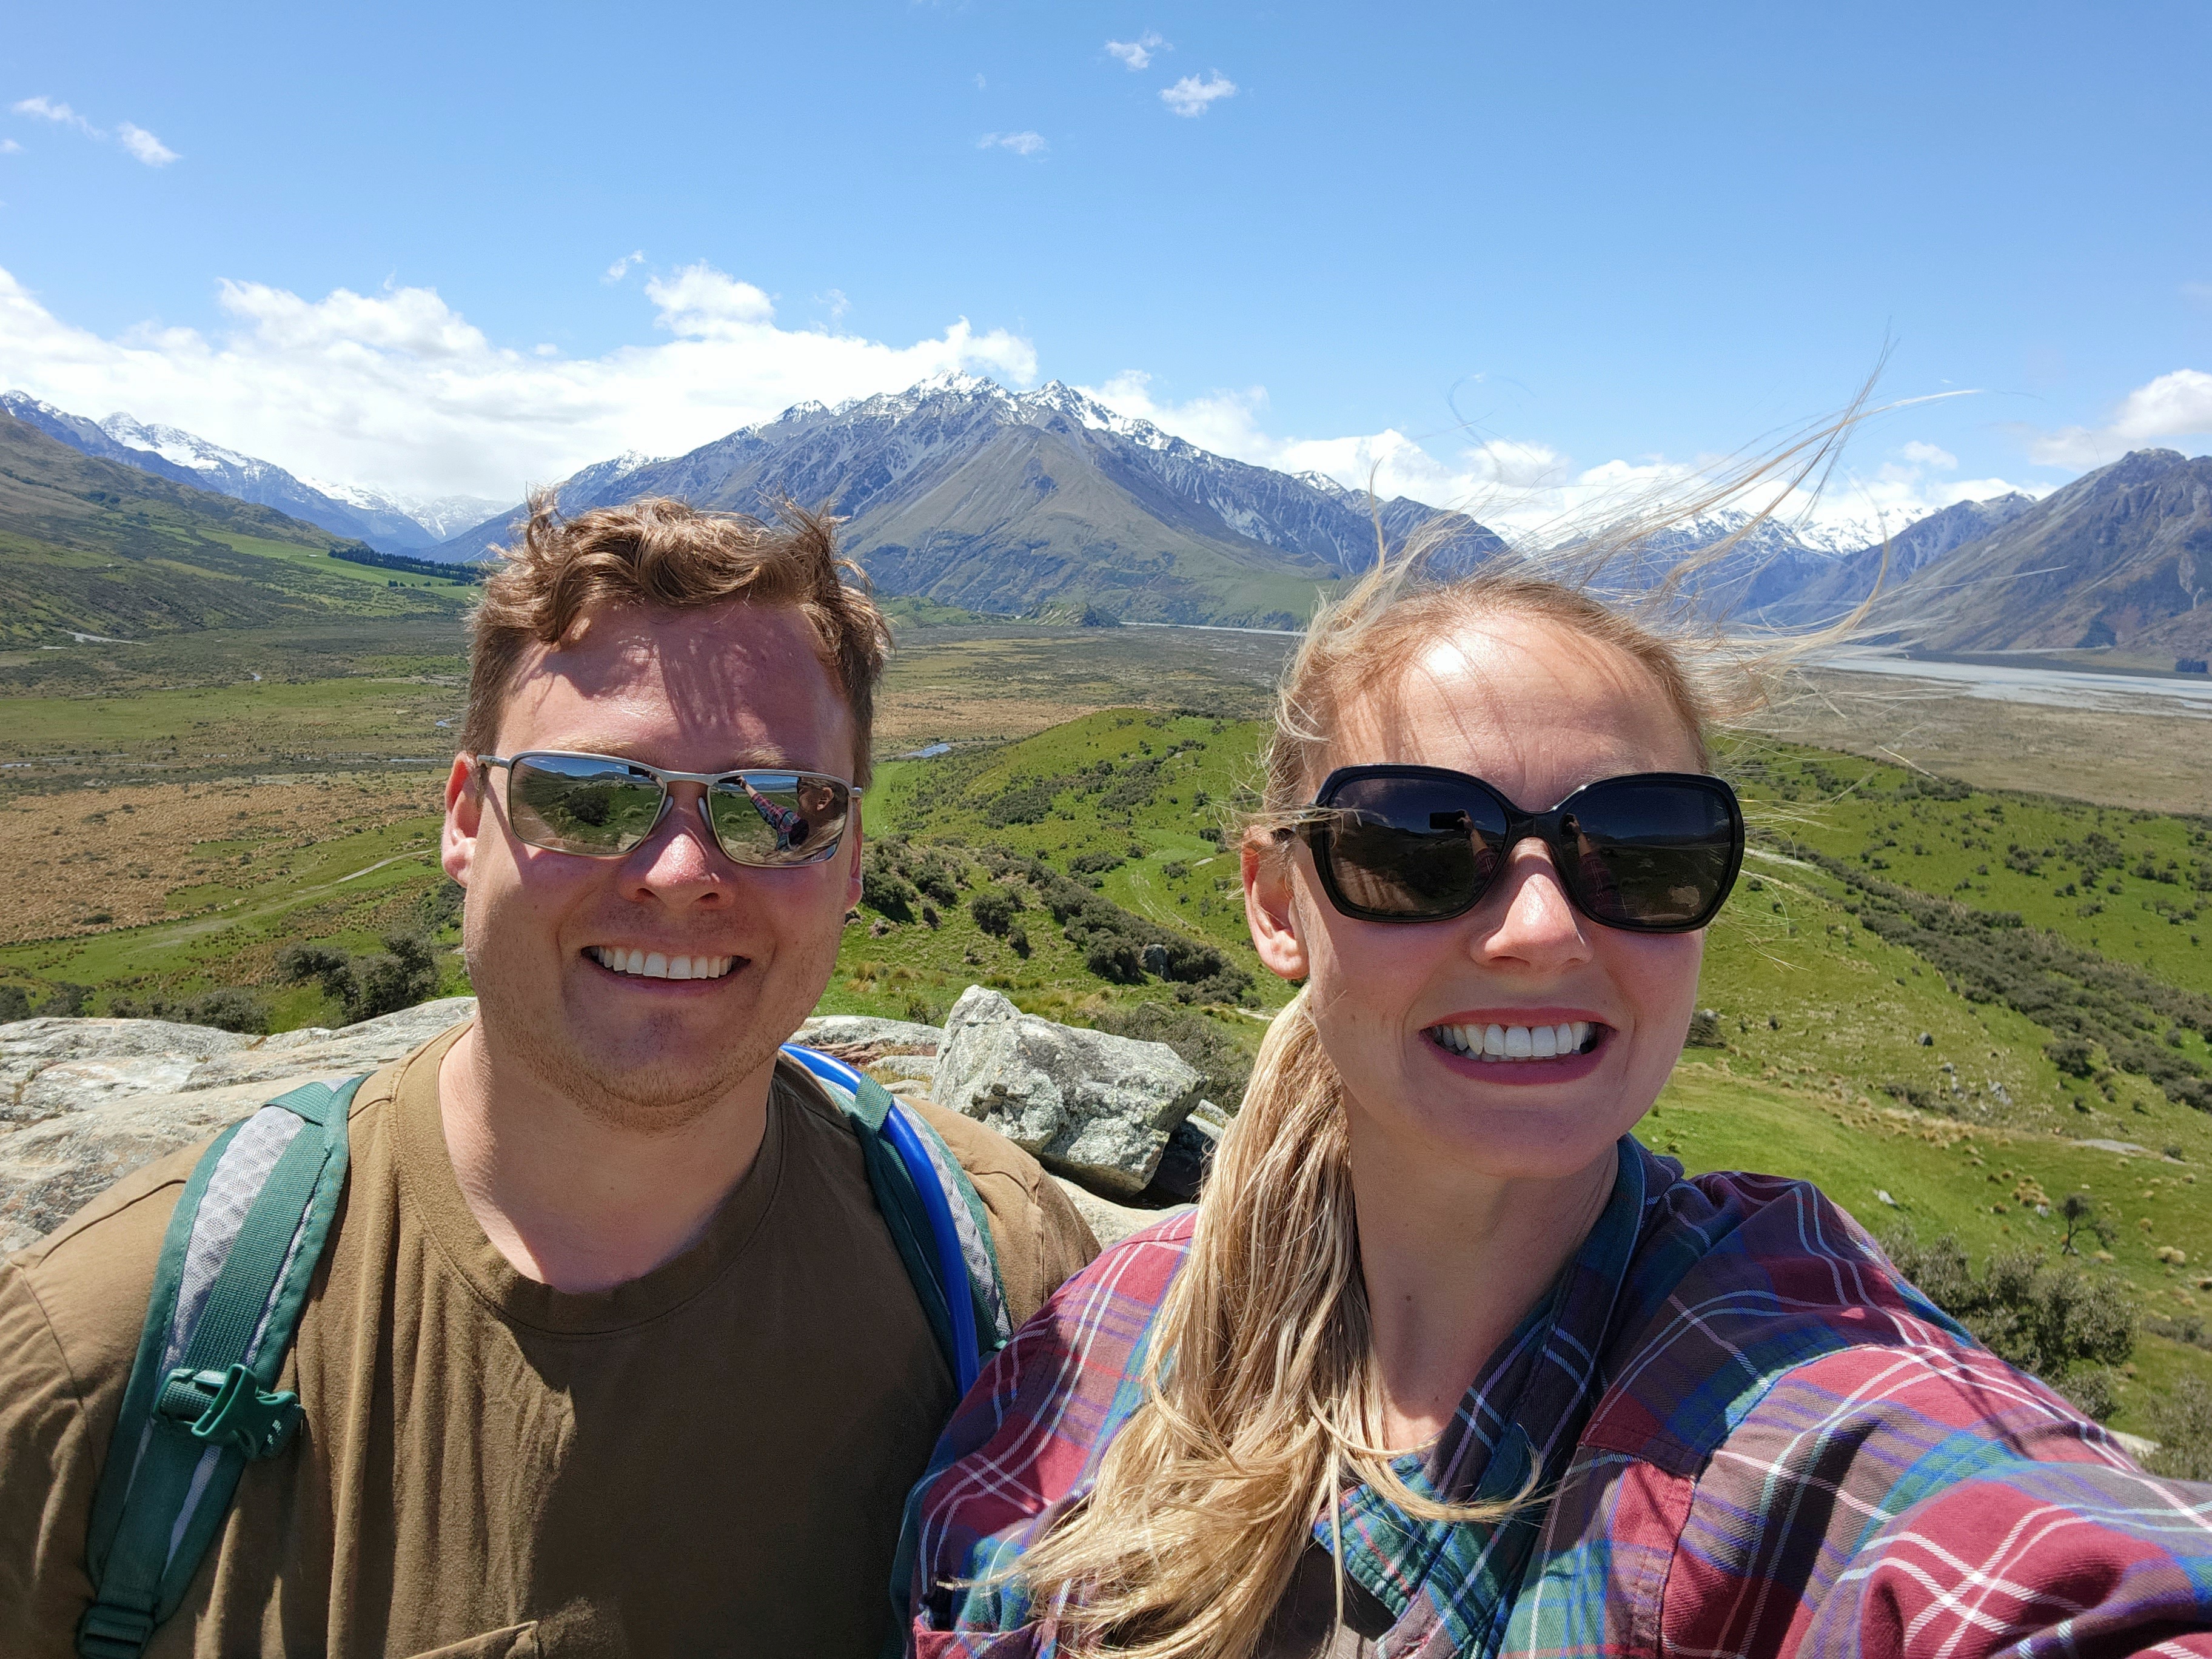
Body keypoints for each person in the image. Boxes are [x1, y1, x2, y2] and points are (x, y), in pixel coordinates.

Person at [905, 554, 2212, 1657]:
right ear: (1272, 902)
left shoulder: (1786, 1401)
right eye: (1421, 844)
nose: (1539, 928)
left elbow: (2020, 1556)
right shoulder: (1099, 1337)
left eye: (1640, 852)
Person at [0, 496, 1098, 1658]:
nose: (681, 872)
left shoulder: (1009, 1276)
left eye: (779, 810)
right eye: (590, 795)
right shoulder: (98, 1361)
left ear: (853, 860)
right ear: (466, 819)